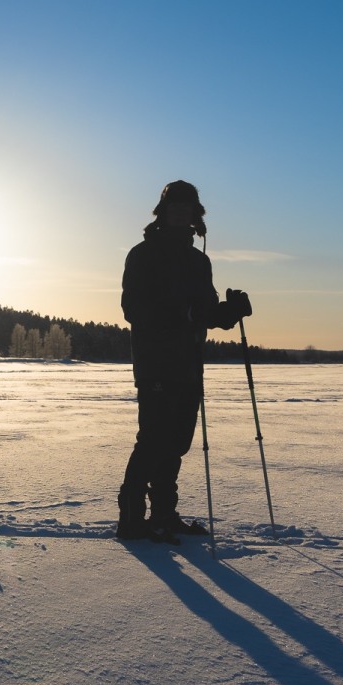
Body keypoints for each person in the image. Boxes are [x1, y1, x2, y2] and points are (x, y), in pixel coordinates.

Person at [117, 180, 251, 544]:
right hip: (156, 362)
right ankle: (131, 519)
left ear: (195, 214)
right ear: (163, 212)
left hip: (189, 364)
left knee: (176, 442)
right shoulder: (143, 254)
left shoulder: (198, 260)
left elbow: (205, 313)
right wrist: (181, 313)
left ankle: (164, 515)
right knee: (153, 440)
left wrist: (231, 312)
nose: (179, 212)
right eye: (173, 206)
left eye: (186, 207)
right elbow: (133, 308)